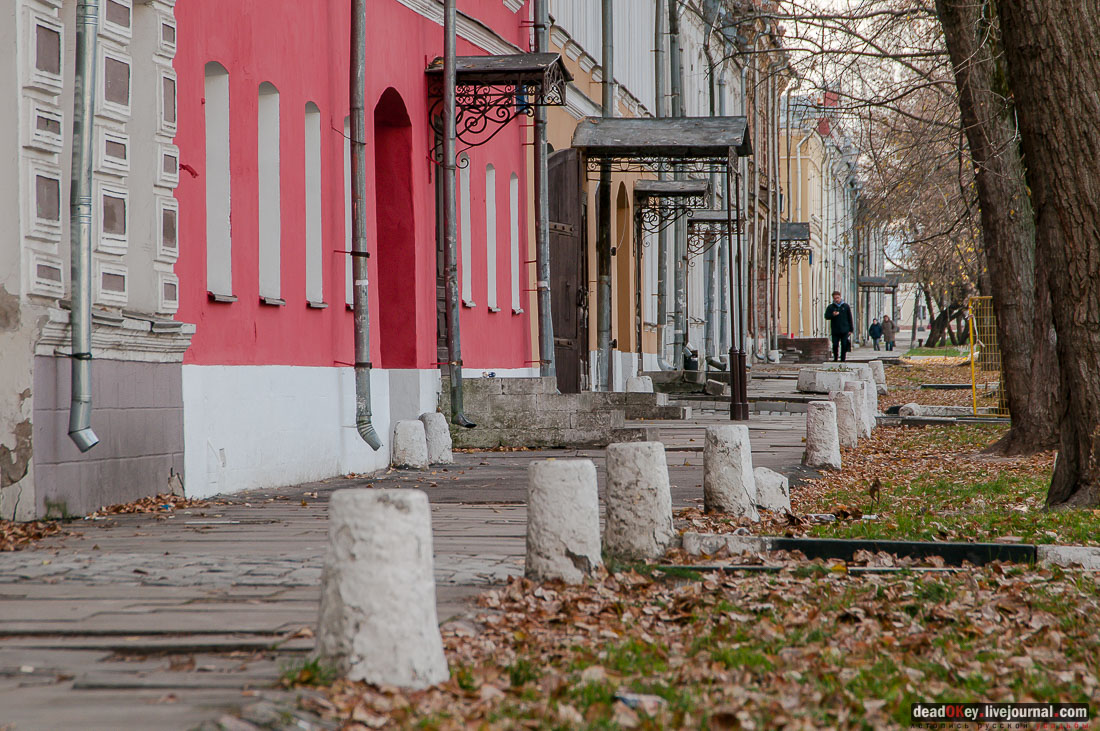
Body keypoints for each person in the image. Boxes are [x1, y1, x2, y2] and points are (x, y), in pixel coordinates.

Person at [824, 291, 854, 362]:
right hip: (835, 330)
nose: (837, 299)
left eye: (838, 298)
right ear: (833, 299)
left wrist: (851, 329)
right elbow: (826, 316)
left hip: (845, 329)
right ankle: (835, 358)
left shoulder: (845, 306)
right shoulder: (831, 307)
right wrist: (832, 315)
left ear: (840, 297)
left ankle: (843, 358)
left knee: (844, 344)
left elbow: (850, 318)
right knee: (835, 345)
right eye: (835, 298)